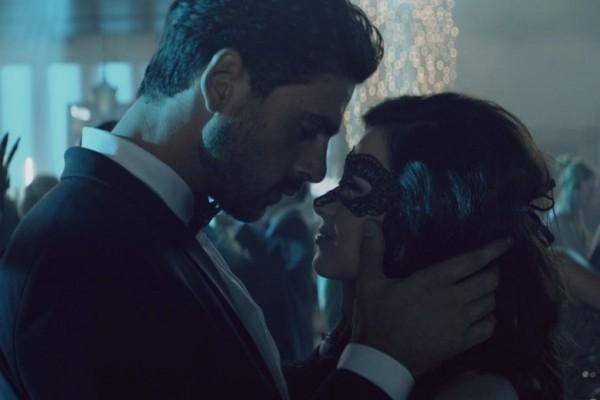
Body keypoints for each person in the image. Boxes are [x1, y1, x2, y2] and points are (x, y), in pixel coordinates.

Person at [0, 2, 507, 399]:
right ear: (224, 84)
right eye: (306, 130)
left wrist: (364, 345)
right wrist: (382, 360)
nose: (316, 169)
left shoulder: (147, 221)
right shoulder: (80, 254)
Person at [313, 93, 563, 399]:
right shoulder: (352, 349)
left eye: (354, 187)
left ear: (424, 215)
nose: (322, 205)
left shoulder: (476, 393)